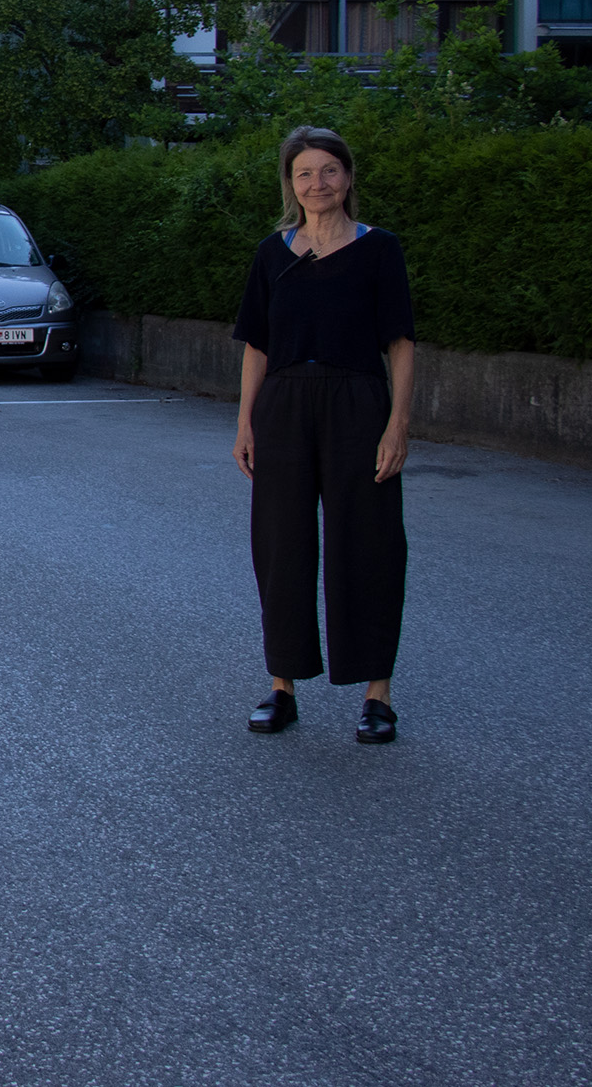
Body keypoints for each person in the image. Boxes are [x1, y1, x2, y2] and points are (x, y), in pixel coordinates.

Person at [230, 126, 415, 745]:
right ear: (292, 184)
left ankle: (377, 694)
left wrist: (397, 425)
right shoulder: (272, 254)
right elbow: (256, 346)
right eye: (305, 174)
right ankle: (283, 687)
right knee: (281, 544)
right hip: (282, 404)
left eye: (329, 171)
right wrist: (245, 422)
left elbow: (401, 344)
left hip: (358, 402)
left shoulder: (379, 250)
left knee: (369, 541)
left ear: (349, 177)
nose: (318, 184)